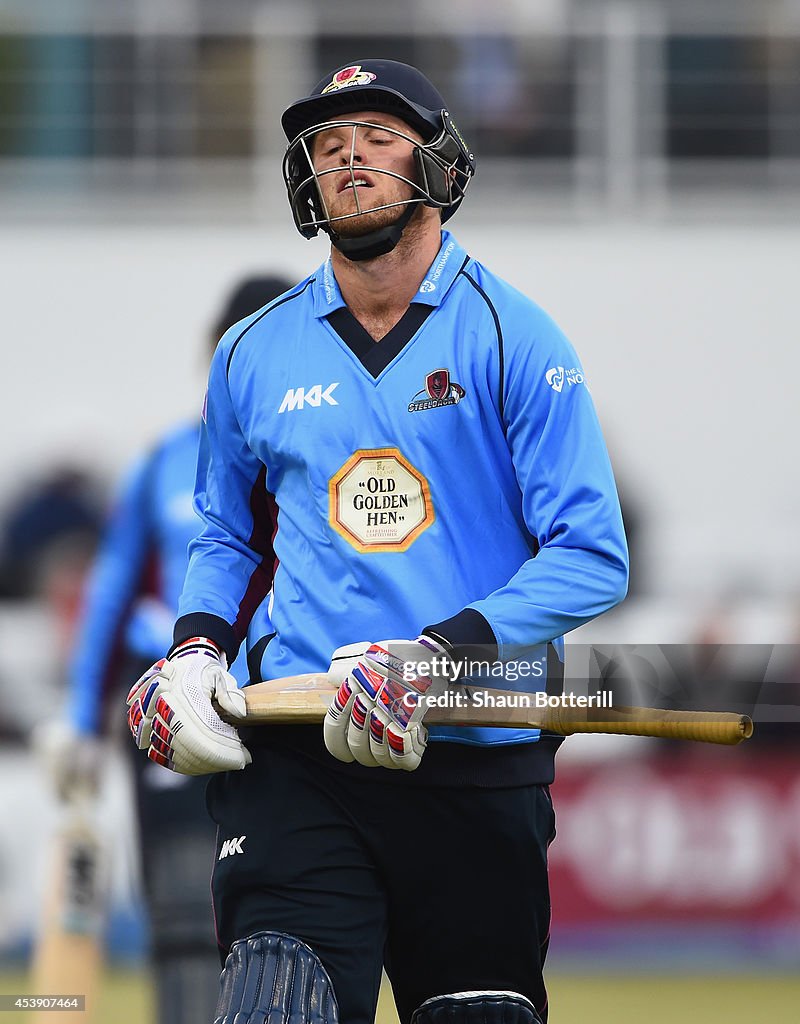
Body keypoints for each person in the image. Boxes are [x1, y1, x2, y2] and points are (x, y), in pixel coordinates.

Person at [126, 59, 628, 1024]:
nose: (349, 154)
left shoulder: (514, 336)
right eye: (327, 143)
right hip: (298, 746)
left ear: (439, 165)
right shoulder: (251, 351)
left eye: (379, 135)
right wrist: (194, 651)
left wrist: (434, 656)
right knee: (275, 1004)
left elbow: (590, 552)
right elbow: (227, 532)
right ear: (304, 182)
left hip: (474, 745)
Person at [49, 275, 294, 1024]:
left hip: (284, 705)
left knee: (286, 912)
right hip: (173, 699)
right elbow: (112, 593)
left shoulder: (322, 462)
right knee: (186, 908)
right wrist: (81, 718)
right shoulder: (165, 462)